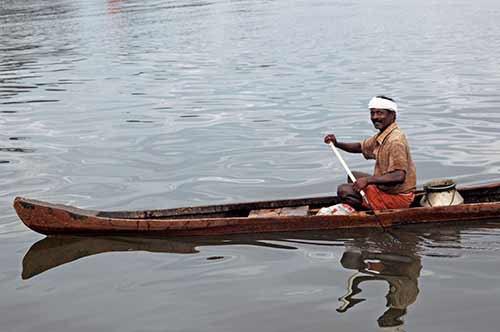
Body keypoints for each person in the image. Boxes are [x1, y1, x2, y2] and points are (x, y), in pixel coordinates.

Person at [324, 96, 416, 210]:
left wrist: (367, 180)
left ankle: (369, 212)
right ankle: (367, 203)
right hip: (387, 188)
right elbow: (360, 147)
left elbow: (399, 176)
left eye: (380, 113)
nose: (375, 117)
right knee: (353, 176)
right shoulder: (384, 134)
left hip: (398, 197)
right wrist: (337, 144)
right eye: (372, 113)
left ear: (393, 115)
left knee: (343, 190)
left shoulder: (395, 140)